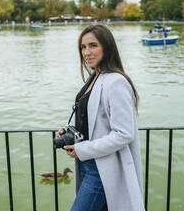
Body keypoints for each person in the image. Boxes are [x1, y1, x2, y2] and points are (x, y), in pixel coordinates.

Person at [56, 24, 145, 211]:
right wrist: (67, 129)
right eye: (83, 47)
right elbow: (86, 115)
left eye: (93, 45)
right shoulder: (94, 78)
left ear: (107, 47)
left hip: (103, 169)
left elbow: (124, 134)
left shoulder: (116, 82)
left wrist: (83, 149)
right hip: (87, 164)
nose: (86, 52)